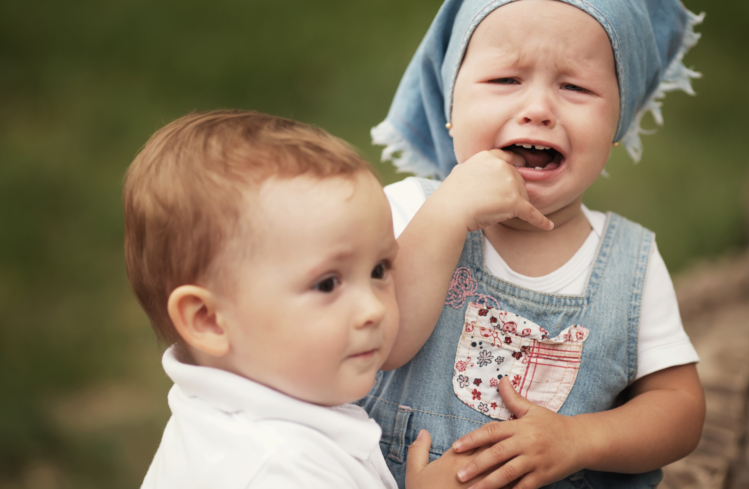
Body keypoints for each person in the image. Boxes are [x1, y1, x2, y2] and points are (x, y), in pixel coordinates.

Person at [357, 1, 707, 488]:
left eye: (575, 87)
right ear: (450, 106)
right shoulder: (405, 211)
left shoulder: (632, 264)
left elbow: (680, 408)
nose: (538, 109)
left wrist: (579, 439)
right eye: (505, 79)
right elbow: (379, 344)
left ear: (618, 126)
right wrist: (447, 213)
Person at [125, 110, 488, 488]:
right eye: (327, 284)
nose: (373, 309)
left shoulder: (233, 419)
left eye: (379, 270)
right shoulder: (281, 469)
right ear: (209, 320)